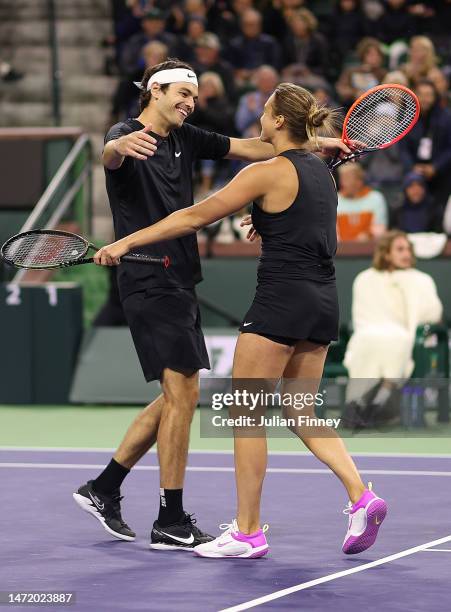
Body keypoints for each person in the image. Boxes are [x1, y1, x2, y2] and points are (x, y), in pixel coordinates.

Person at [93, 82, 387, 559]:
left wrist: (126, 243)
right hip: (323, 302)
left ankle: (248, 531)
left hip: (280, 302)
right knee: (300, 411)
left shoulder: (266, 171)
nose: (259, 121)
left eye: (264, 113)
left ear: (275, 123)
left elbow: (192, 217)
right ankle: (361, 494)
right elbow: (302, 222)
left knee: (246, 416)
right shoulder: (321, 173)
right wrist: (264, 220)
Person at [343, 231, 443, 424]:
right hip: (369, 333)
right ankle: (357, 404)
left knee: (397, 339)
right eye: (400, 249)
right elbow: (362, 317)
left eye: (408, 249)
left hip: (405, 335)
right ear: (386, 253)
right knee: (366, 340)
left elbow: (433, 312)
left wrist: (406, 289)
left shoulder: (421, 280)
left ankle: (378, 405)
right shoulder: (365, 279)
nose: (406, 253)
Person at [399, 80, 451, 212]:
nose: (425, 99)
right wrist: (412, 167)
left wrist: (435, 167)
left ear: (435, 96)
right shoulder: (407, 117)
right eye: (421, 94)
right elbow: (403, 147)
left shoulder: (446, 117)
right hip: (414, 172)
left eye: (429, 95)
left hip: (440, 173)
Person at [337, 163, 388, 241]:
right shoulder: (335, 200)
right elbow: (332, 232)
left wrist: (368, 235)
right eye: (342, 179)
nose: (343, 183)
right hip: (340, 250)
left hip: (369, 247)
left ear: (359, 181)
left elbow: (380, 229)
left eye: (347, 178)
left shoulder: (375, 198)